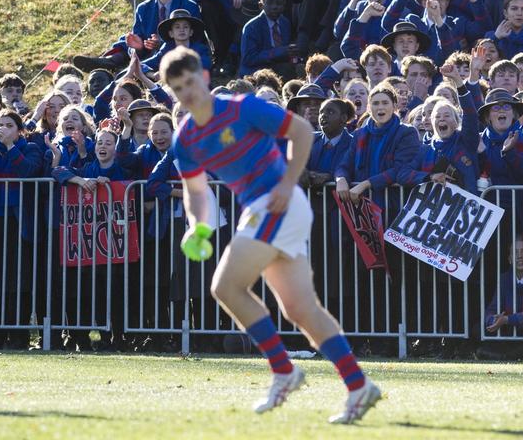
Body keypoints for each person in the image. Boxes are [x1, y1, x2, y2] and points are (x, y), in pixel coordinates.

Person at [162, 47, 380, 422]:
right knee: (301, 309)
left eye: (192, 82)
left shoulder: (241, 108)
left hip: (280, 203)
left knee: (225, 286)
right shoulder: (185, 140)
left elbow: (299, 131)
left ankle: (283, 370)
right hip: (262, 210)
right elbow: (196, 193)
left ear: (205, 78)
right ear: (172, 94)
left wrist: (288, 181)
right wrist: (198, 226)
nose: (188, 92)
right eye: (179, 88)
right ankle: (359, 385)